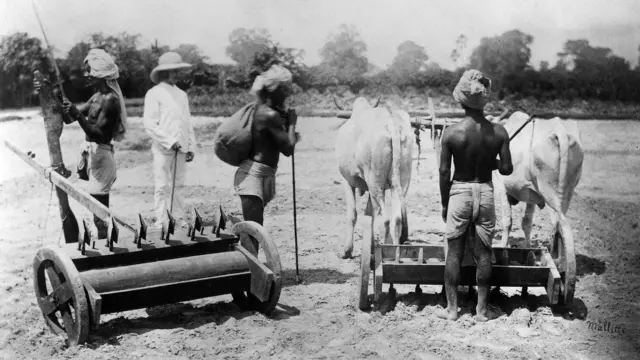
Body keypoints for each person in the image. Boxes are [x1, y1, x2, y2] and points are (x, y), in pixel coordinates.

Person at [436, 69, 513, 322]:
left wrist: (446, 203)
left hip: (460, 191)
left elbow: (445, 172)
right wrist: (491, 163)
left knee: (455, 254)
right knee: (483, 254)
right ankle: (481, 310)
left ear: (461, 101)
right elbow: (506, 169)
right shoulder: (499, 132)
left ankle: (452, 309)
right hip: (486, 192)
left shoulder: (451, 133)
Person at [34, 48, 128, 239]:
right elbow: (69, 119)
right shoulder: (96, 97)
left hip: (102, 157)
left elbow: (99, 135)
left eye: (90, 71)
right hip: (93, 157)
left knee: (99, 212)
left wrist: (77, 114)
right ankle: (105, 245)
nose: (86, 75)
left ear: (100, 74)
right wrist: (51, 92)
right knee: (96, 210)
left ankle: (108, 249)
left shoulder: (111, 100)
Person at [234, 64, 300, 230]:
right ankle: (246, 256)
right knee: (254, 231)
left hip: (265, 174)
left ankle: (249, 255)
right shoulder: (269, 114)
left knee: (255, 229)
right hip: (253, 176)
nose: (288, 93)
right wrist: (292, 123)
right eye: (285, 89)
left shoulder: (269, 112)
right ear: (274, 89)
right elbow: (288, 149)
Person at [142, 52, 195, 229]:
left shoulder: (181, 94)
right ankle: (162, 220)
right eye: (173, 71)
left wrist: (190, 145)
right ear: (164, 73)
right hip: (163, 148)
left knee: (178, 185)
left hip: (181, 148)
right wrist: (169, 141)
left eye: (178, 71)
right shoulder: (154, 93)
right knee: (163, 185)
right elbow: (149, 123)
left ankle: (178, 218)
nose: (176, 74)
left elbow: (186, 121)